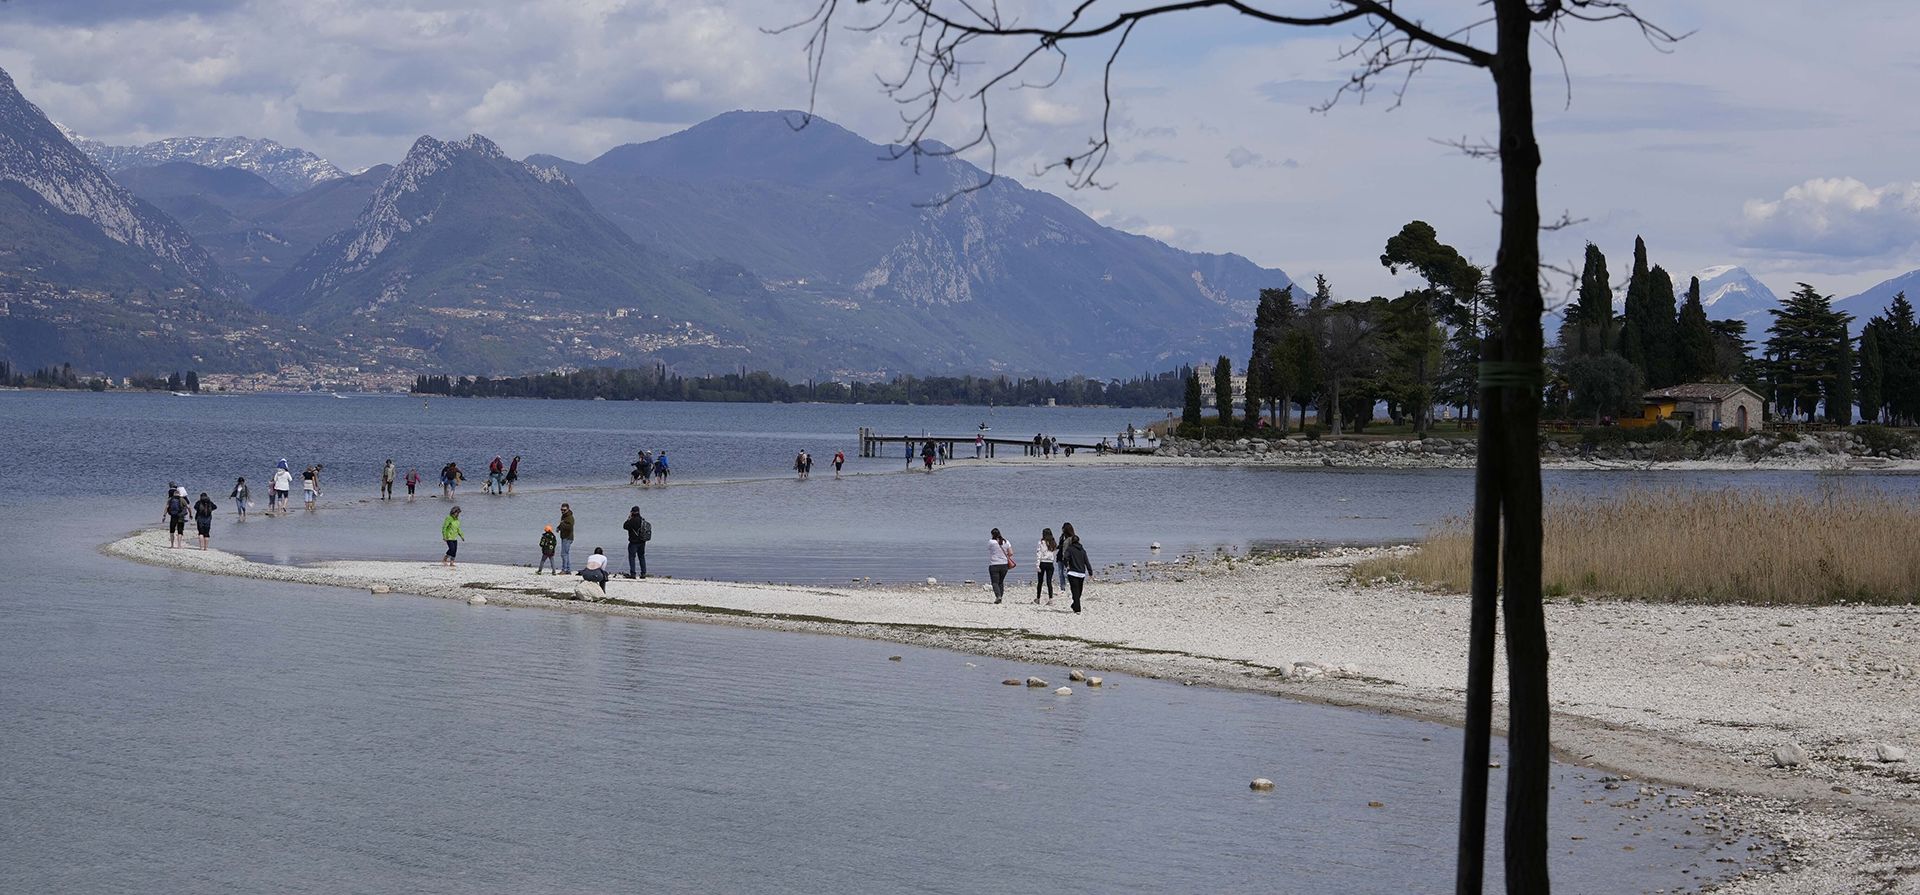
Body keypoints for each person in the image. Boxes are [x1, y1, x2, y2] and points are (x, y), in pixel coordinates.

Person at [1060, 532, 1091, 614]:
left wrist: (1066, 565)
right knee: (1079, 591)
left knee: (1075, 591)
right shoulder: (1082, 550)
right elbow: (1086, 561)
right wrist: (1090, 572)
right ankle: (1077, 608)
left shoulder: (1069, 549)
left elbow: (1065, 558)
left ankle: (1075, 606)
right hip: (1081, 573)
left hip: (1072, 573)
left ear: (1072, 542)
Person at [986, 528, 1015, 603]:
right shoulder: (1006, 541)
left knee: (995, 582)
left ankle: (998, 596)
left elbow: (989, 549)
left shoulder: (991, 542)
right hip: (1004, 564)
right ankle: (1000, 597)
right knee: (1001, 582)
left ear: (992, 534)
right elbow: (1011, 553)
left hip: (994, 564)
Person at [622, 506, 651, 579]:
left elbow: (625, 526)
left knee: (632, 557)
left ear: (632, 512)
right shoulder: (642, 520)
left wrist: (628, 518)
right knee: (641, 557)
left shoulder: (632, 521)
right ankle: (643, 573)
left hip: (633, 542)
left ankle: (633, 573)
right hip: (642, 541)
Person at [1034, 528, 1058, 604]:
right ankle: (1051, 599)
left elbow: (1039, 554)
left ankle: (1038, 598)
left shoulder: (1041, 542)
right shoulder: (1053, 542)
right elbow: (1053, 553)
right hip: (1050, 563)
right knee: (1049, 582)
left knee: (1040, 582)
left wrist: (1037, 565)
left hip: (1043, 562)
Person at [557, 502, 576, 574]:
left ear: (568, 509)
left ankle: (564, 569)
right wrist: (558, 528)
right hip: (564, 537)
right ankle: (568, 570)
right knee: (566, 554)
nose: (562, 511)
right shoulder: (564, 516)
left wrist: (562, 524)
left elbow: (570, 527)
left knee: (563, 554)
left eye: (564, 510)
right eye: (561, 510)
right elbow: (562, 524)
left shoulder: (570, 517)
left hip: (568, 538)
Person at [1058, 521, 1076, 593]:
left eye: (1063, 529)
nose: (1062, 530)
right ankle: (1062, 588)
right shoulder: (1062, 537)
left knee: (1066, 573)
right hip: (1060, 556)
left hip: (1068, 558)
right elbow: (1061, 545)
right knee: (1060, 573)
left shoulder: (1072, 538)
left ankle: (1072, 585)